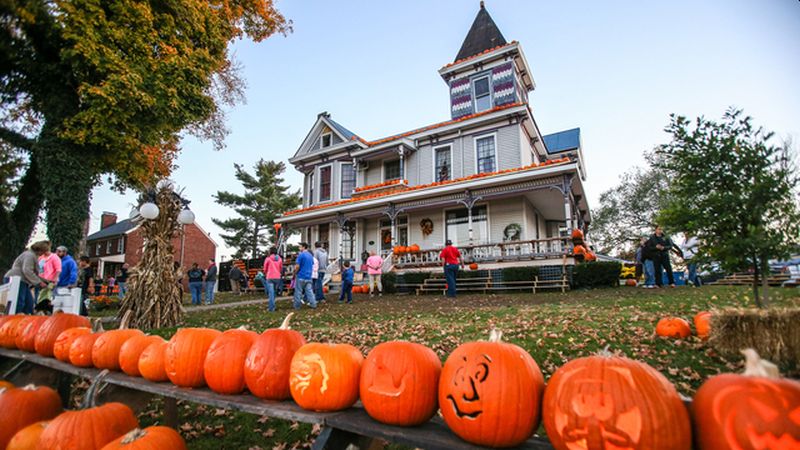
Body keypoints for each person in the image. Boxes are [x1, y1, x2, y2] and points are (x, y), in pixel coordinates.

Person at [3, 241, 49, 314]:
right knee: (19, 303)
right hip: (16, 279)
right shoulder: (29, 255)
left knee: (29, 304)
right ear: (40, 250)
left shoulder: (32, 255)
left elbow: (31, 272)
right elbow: (27, 270)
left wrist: (47, 281)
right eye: (43, 251)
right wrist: (39, 282)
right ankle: (14, 320)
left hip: (23, 281)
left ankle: (25, 320)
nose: (43, 254)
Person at [293, 243, 317, 309]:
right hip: (309, 276)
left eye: (300, 247)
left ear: (303, 247)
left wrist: (295, 272)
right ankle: (313, 304)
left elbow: (297, 266)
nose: (299, 248)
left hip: (301, 275)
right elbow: (312, 264)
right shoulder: (310, 256)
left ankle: (297, 306)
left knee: (298, 291)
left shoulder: (301, 255)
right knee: (309, 291)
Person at [263, 247, 283, 312]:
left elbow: (265, 269)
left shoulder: (268, 259)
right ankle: (272, 305)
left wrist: (266, 273)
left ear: (270, 252)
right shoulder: (280, 259)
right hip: (277, 277)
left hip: (270, 277)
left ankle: (271, 308)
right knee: (274, 292)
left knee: (271, 293)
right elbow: (280, 268)